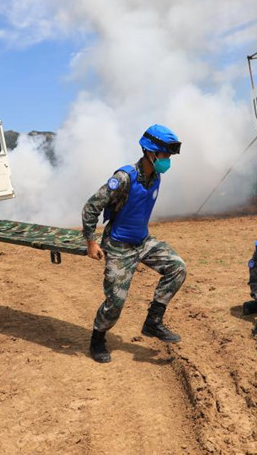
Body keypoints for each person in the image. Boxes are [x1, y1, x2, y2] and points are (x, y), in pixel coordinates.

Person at [82, 124, 187, 363]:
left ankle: (153, 321)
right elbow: (91, 207)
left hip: (143, 241)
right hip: (119, 246)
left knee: (177, 267)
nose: (167, 160)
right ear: (150, 152)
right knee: (115, 303)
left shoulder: (156, 177)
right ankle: (97, 338)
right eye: (165, 155)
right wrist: (91, 241)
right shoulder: (124, 178)